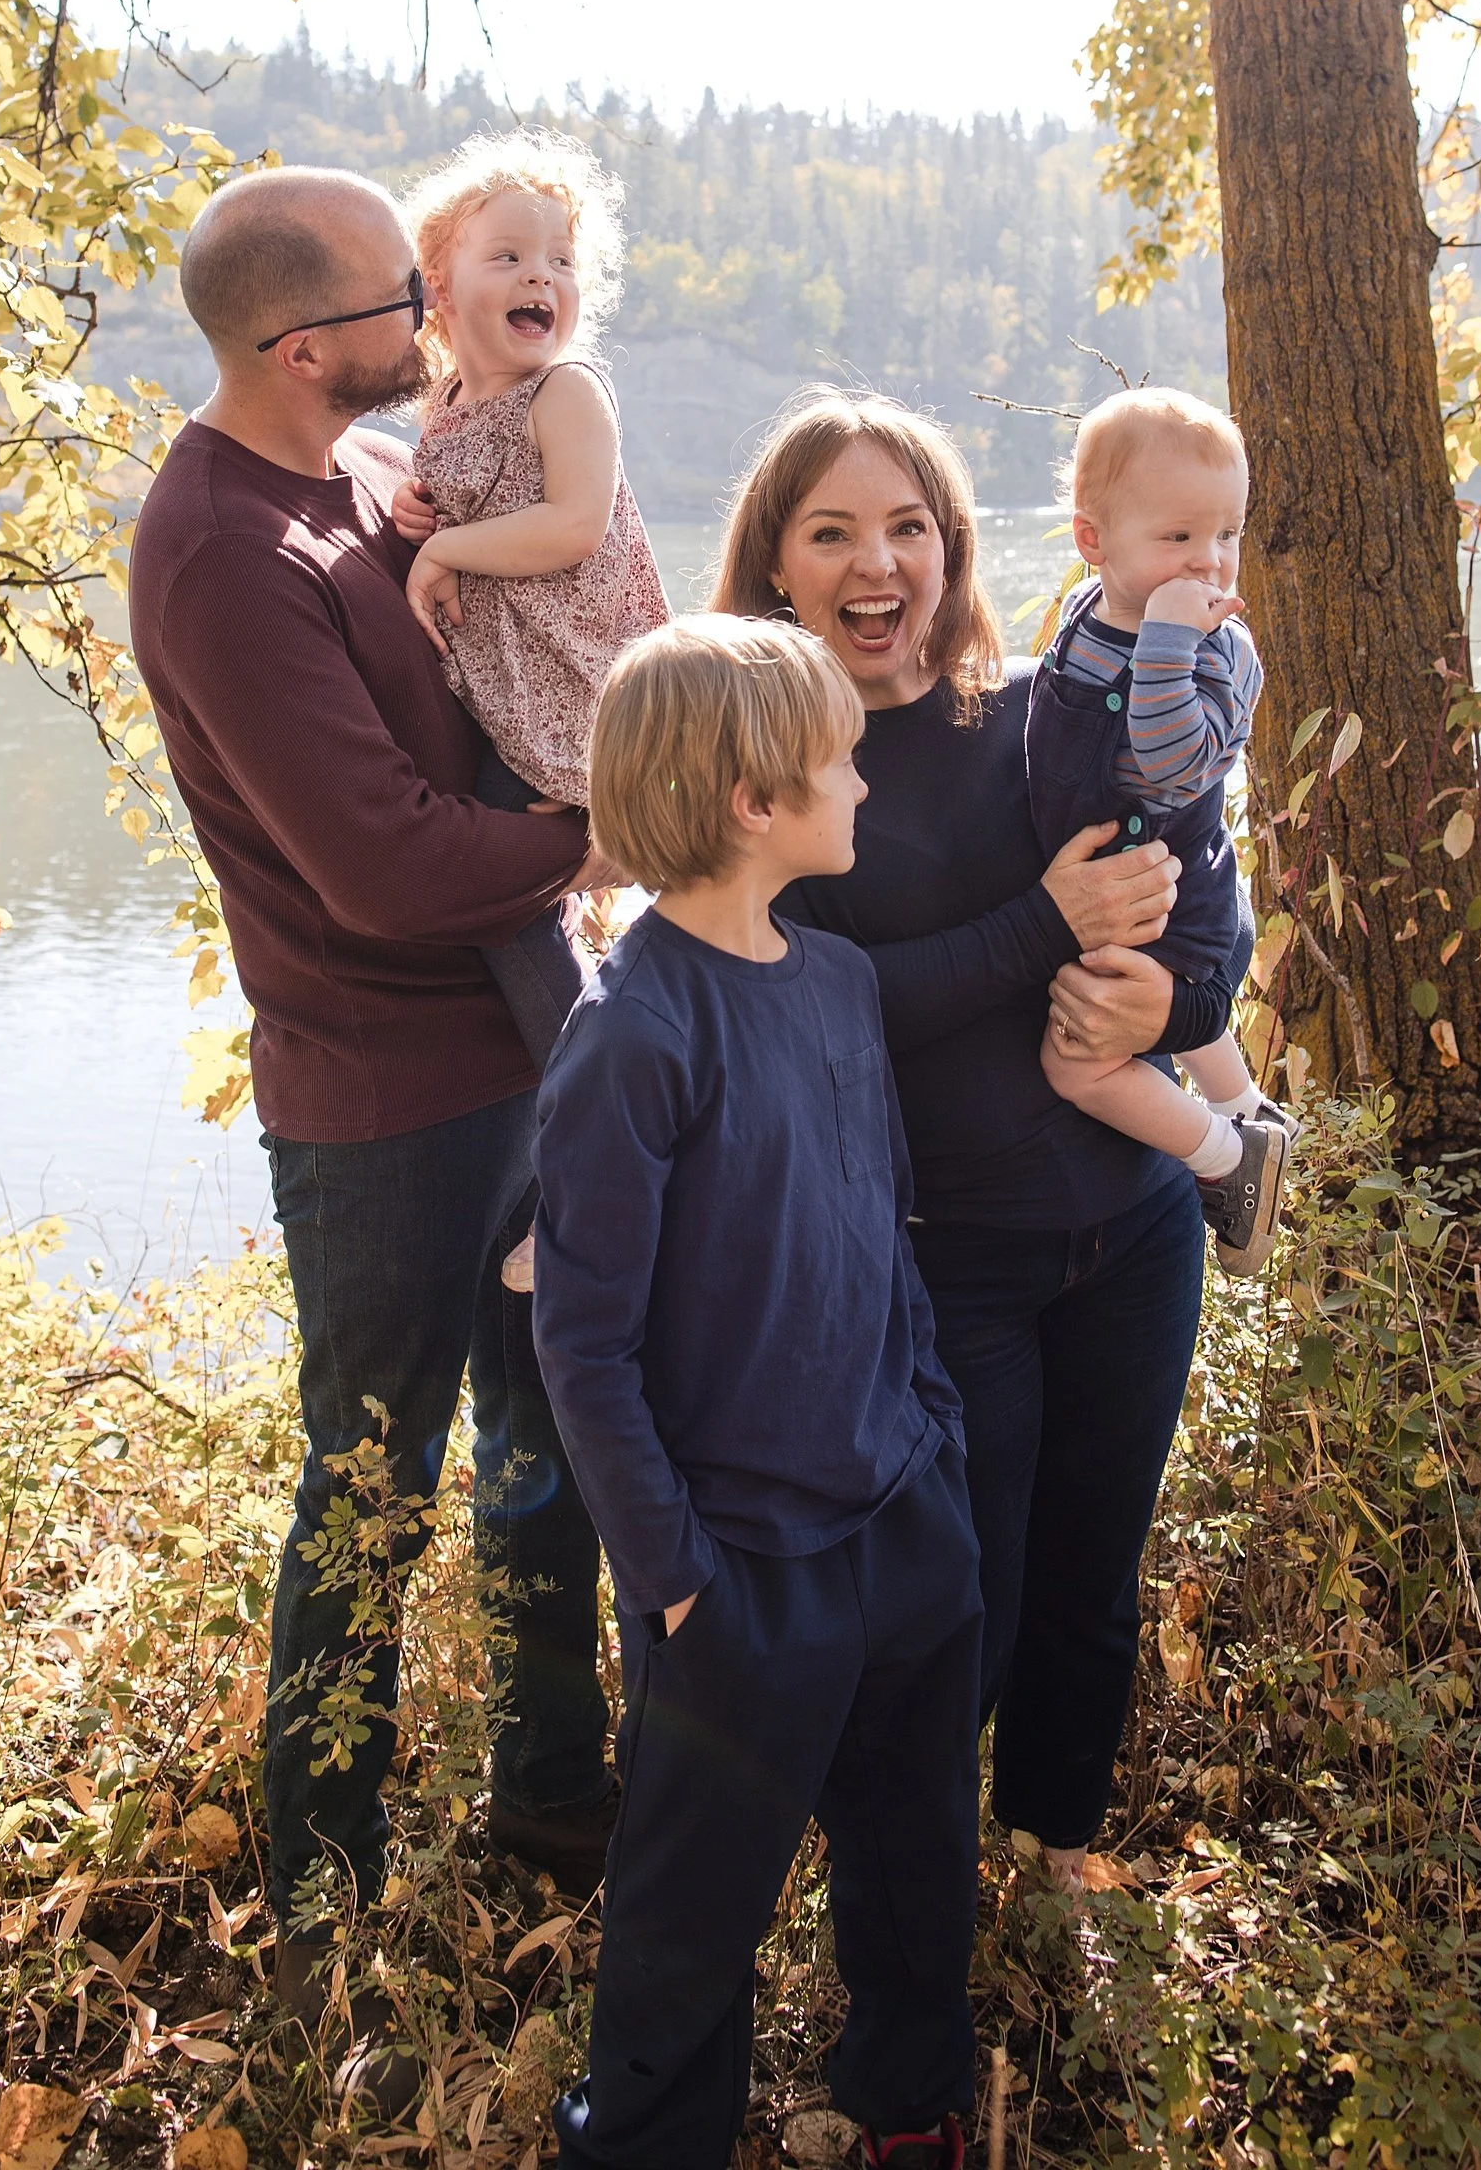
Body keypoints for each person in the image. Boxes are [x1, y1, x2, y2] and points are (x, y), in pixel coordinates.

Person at [127, 165, 617, 2031]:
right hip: (386, 1103)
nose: (429, 316)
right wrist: (613, 818)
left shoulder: (347, 482)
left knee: (554, 1441)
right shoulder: (214, 550)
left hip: (526, 1047)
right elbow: (387, 867)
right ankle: (318, 1897)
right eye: (399, 294)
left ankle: (553, 1803)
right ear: (299, 340)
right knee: (370, 1489)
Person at [714, 389, 1236, 1898]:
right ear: (775, 564)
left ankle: (1055, 1849)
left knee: (1093, 1566)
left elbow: (1196, 903)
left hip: (1130, 1230)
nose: (877, 565)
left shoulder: (1037, 720)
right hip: (953, 1265)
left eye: (909, 528)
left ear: (950, 551)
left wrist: (1170, 990)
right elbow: (814, 1018)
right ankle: (915, 1885)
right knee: (963, 1592)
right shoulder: (768, 777)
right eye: (832, 533)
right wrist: (1040, 928)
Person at [534, 615, 984, 2170]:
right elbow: (582, 1350)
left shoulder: (841, 983)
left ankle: (910, 2107)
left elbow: (884, 1226)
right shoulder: (633, 1035)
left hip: (903, 1523)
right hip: (738, 1581)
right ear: (750, 802)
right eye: (841, 762)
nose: (867, 784)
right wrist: (674, 1587)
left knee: (921, 1861)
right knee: (686, 1924)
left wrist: (930, 1434)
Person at [389, 133, 669, 1294]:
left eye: (559, 260)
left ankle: (599, 1152)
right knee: (519, 909)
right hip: (514, 703)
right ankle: (602, 1132)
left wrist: (446, 542)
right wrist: (418, 508)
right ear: (439, 290)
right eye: (507, 256)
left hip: (583, 685)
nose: (540, 278)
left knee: (517, 904)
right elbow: (440, 498)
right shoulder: (446, 406)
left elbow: (568, 526)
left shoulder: (568, 393)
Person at [1032, 389, 1292, 1278]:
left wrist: (1172, 643)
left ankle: (1227, 1157)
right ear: (1093, 545)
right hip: (1120, 892)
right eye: (1178, 538)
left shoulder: (1220, 650)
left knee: (1078, 1064)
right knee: (1160, 1022)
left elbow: (1172, 763)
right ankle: (1252, 1107)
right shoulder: (1087, 615)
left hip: (1174, 900)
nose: (1209, 562)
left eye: (1226, 533)